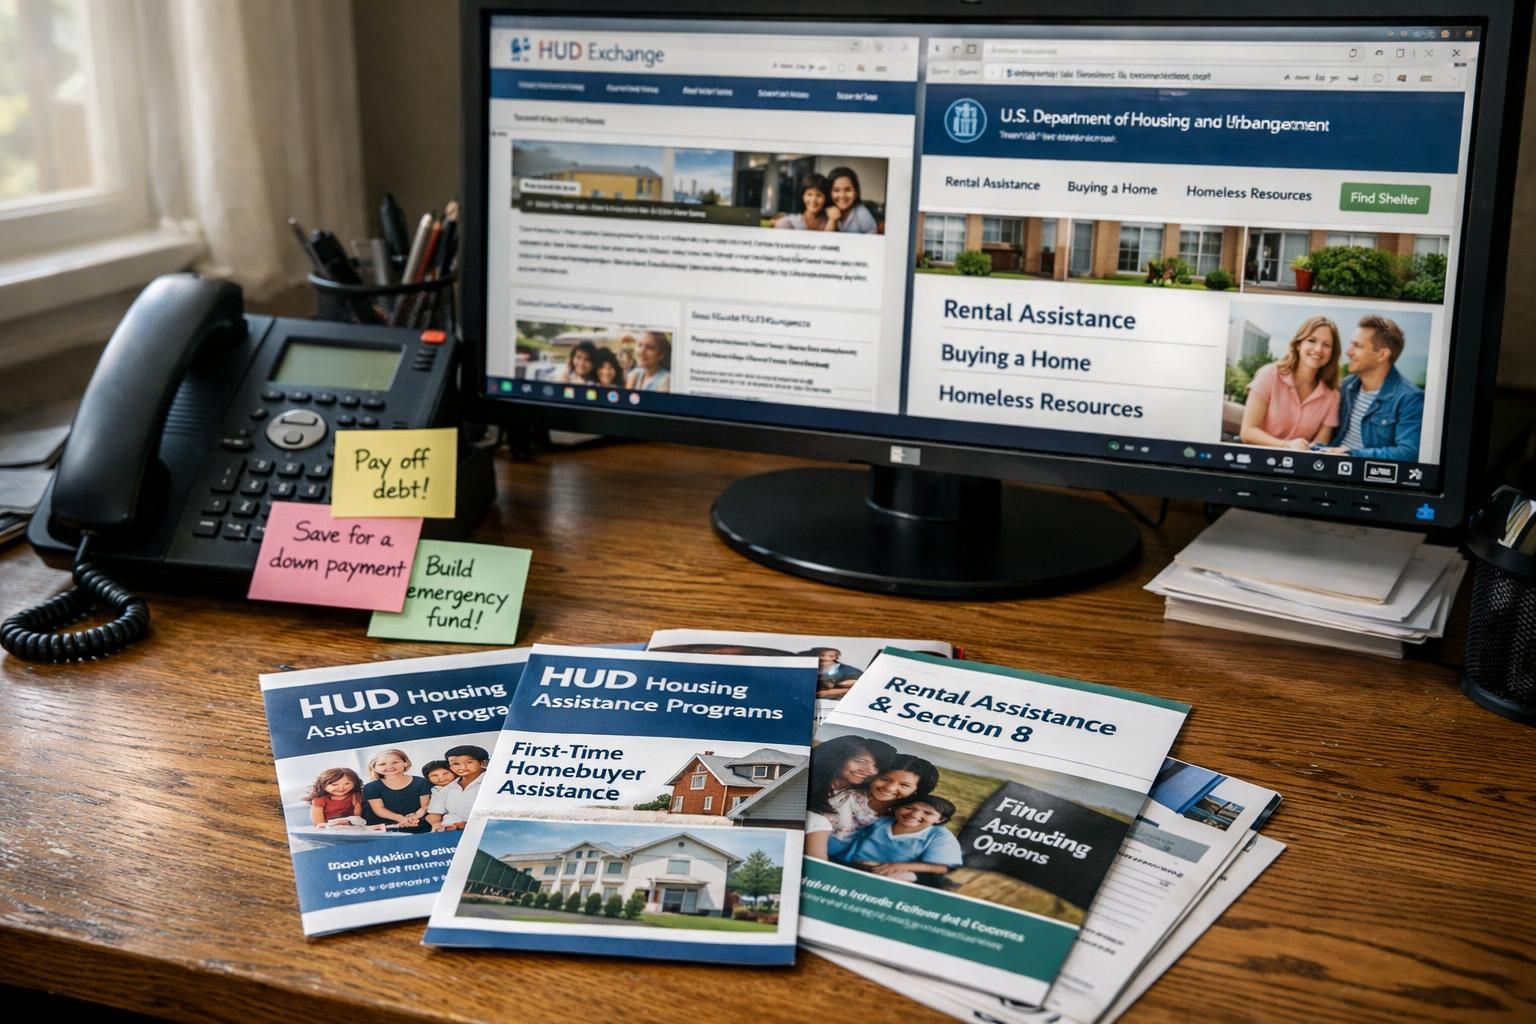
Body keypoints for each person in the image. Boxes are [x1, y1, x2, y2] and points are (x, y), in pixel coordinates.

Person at [1322, 315, 1425, 462]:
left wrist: (1351, 454)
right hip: (1332, 463)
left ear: (1382, 355)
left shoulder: (1410, 398)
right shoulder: (1347, 386)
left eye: (1357, 346)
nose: (1348, 351)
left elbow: (1408, 453)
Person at [1239, 315, 1342, 450]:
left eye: (1326, 345)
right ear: (1298, 344)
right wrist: (1286, 445)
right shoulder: (1269, 375)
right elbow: (1247, 432)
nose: (1318, 349)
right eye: (1312, 340)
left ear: (1332, 353)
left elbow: (1320, 445)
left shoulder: (1332, 397)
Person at [803, 734, 896, 859]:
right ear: (836, 758)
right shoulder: (807, 782)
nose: (869, 770)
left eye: (876, 766)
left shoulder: (863, 796)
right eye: (860, 761)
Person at [843, 795, 964, 882]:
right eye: (909, 808)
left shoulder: (940, 836)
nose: (914, 815)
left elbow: (942, 867)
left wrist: (896, 867)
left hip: (905, 871)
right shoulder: (879, 822)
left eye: (928, 813)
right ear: (897, 808)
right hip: (857, 863)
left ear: (940, 819)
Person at [361, 748, 432, 832]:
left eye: (395, 762)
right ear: (374, 767)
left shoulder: (422, 782)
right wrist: (402, 819)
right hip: (387, 825)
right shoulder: (371, 787)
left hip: (418, 821)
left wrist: (413, 818)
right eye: (382, 764)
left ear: (405, 763)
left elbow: (425, 807)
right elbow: (379, 810)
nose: (390, 767)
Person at [428, 744, 490, 832]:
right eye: (455, 764)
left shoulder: (492, 784)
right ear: (450, 767)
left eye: (469, 762)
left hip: (480, 830)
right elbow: (435, 813)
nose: (462, 767)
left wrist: (464, 825)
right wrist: (436, 825)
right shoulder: (446, 788)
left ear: (484, 763)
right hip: (447, 830)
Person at [823, 166, 878, 234]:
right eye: (836, 190)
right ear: (829, 192)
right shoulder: (824, 211)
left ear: (856, 192)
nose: (842, 195)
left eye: (847, 190)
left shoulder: (862, 214)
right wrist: (832, 220)